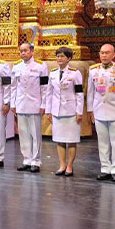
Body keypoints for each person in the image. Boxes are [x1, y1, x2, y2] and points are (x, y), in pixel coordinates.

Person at [87, 43, 115, 182]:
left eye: (107, 53)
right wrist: (90, 110)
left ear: (113, 55)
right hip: (99, 110)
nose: (104, 55)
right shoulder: (93, 70)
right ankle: (105, 168)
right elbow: (90, 92)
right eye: (102, 53)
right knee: (102, 142)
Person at [11, 42, 48, 173]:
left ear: (32, 51)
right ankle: (27, 159)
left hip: (35, 103)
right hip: (21, 103)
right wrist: (13, 103)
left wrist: (44, 104)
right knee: (23, 133)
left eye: (25, 51)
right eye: (21, 51)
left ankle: (36, 161)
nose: (23, 53)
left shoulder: (40, 65)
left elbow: (44, 87)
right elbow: (13, 87)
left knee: (35, 133)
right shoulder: (16, 66)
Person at [47, 47, 84, 177]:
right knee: (59, 140)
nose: (59, 58)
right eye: (58, 56)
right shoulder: (52, 73)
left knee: (71, 140)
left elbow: (79, 93)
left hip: (71, 111)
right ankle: (62, 164)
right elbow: (49, 93)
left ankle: (70, 166)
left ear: (69, 58)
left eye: (62, 56)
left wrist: (79, 112)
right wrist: (48, 111)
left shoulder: (75, 73)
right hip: (57, 111)